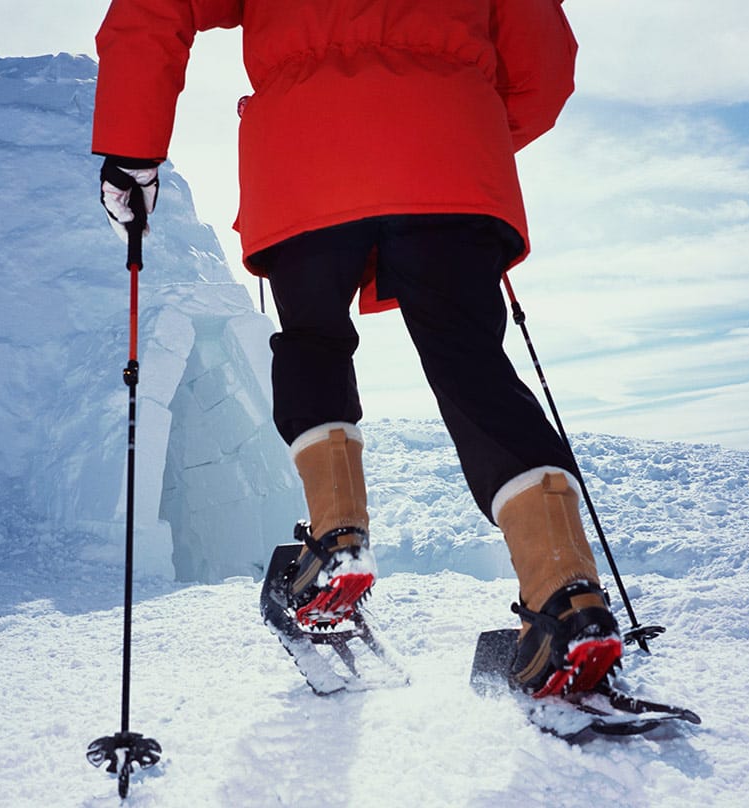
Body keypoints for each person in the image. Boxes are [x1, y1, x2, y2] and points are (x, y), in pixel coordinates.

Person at [93, 0, 621, 698]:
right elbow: (545, 63)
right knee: (475, 366)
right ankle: (566, 597)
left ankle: (335, 544)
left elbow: (157, 9)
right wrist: (465, 125)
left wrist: (133, 148)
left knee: (312, 343)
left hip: (305, 156)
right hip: (449, 156)